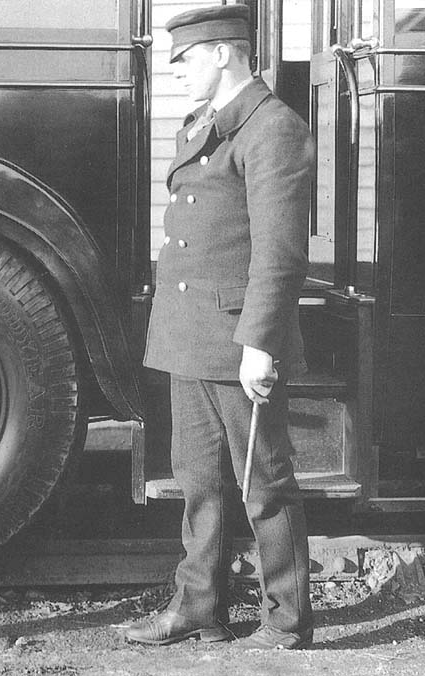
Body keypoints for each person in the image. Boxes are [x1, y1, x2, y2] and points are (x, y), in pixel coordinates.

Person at [126, 5, 315, 650]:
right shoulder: (207, 126)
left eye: (187, 60)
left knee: (262, 483)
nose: (179, 74)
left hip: (238, 342)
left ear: (225, 54)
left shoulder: (272, 131)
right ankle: (199, 606)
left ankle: (286, 621)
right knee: (200, 482)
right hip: (191, 337)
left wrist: (260, 344)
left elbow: (280, 252)